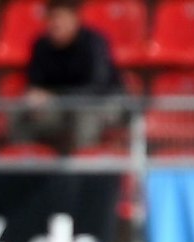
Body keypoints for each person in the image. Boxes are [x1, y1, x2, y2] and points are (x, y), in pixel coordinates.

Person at [11, 0, 123, 153]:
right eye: (51, 18)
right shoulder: (41, 46)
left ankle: (84, 170)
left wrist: (55, 96)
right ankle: (24, 164)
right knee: (21, 111)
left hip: (103, 104)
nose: (56, 24)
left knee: (85, 115)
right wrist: (34, 97)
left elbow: (97, 88)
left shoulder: (94, 43)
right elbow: (35, 84)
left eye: (61, 18)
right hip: (60, 107)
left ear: (75, 19)